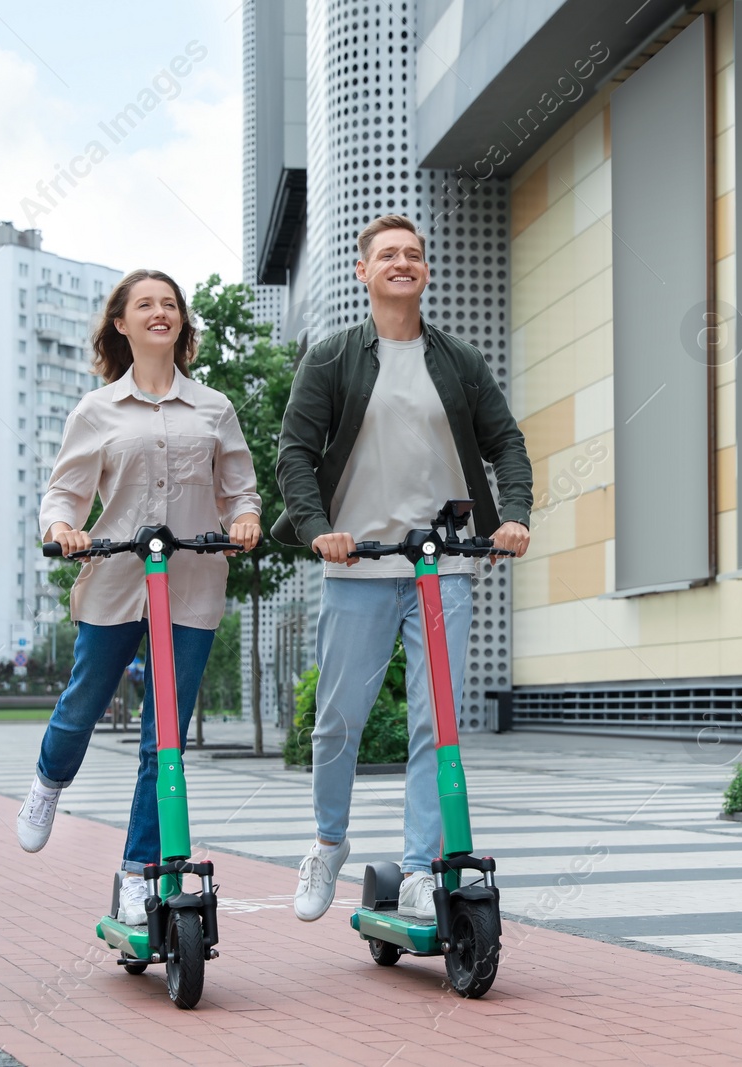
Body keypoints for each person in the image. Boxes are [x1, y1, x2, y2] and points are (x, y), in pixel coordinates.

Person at [273, 214, 532, 922]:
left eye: (413, 254)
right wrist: (321, 529)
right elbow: (293, 450)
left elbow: (505, 441)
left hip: (443, 564)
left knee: (436, 722)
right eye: (387, 254)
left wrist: (513, 516)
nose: (402, 262)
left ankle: (420, 868)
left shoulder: (458, 360)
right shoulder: (332, 357)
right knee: (337, 721)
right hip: (359, 564)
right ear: (364, 271)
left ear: (425, 271)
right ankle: (328, 842)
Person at [16, 269, 262, 927]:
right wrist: (62, 527)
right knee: (83, 704)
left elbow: (241, 489)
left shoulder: (214, 408)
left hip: (192, 581)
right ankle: (47, 783)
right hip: (118, 576)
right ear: (120, 323)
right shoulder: (95, 410)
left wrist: (244, 520)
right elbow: (63, 493)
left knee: (166, 740)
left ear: (182, 323)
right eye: (145, 304)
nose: (161, 311)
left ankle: (139, 874)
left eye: (170, 303)